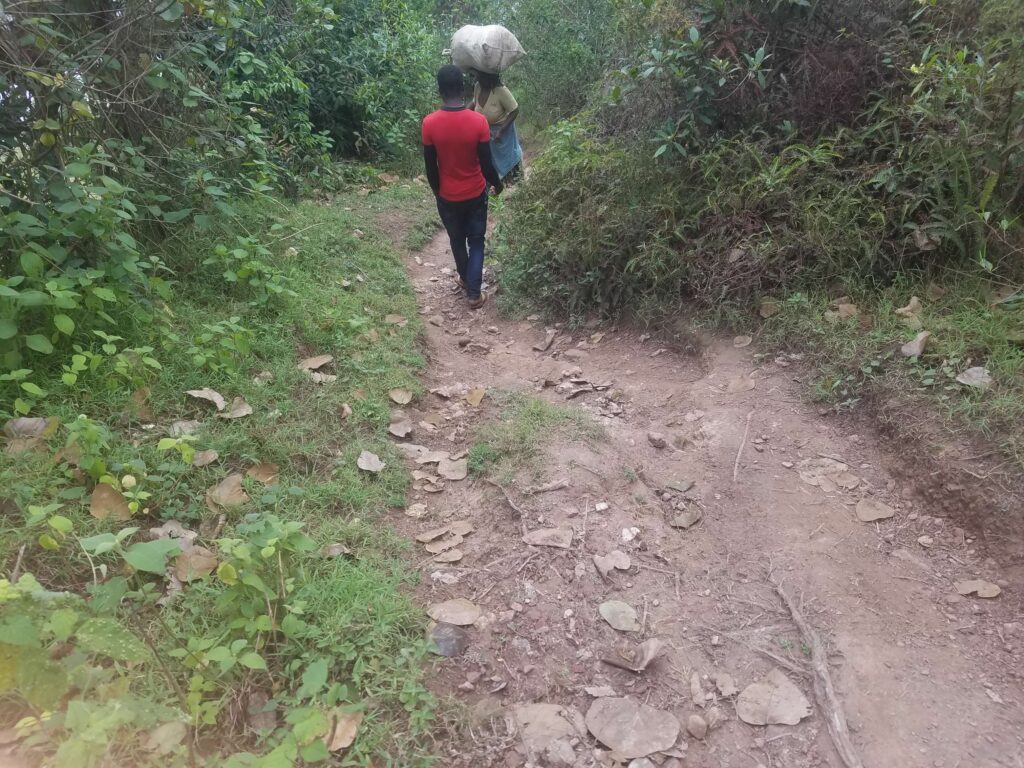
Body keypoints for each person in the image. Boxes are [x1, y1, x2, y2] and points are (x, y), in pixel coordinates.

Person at [422, 65, 503, 309]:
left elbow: (430, 167)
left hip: (447, 195)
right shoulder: (478, 122)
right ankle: (474, 293)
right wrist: (497, 184)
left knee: (457, 239)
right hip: (476, 192)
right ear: (463, 89)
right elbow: (487, 164)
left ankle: (467, 280)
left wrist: (439, 192)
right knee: (476, 240)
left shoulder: (429, 124)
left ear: (440, 91)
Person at [473, 70, 522, 184]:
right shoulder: (477, 87)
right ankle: (495, 185)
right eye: (479, 77)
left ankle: (515, 183)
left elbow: (515, 111)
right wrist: (463, 113)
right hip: (485, 131)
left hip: (503, 132)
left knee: (509, 159)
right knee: (490, 160)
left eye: (483, 77)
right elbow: (474, 103)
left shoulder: (500, 90)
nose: (480, 79)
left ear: (490, 77)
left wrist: (501, 131)